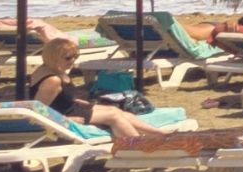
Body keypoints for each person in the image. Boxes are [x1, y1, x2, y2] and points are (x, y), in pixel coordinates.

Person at [28, 37, 170, 141]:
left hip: (70, 108)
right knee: (114, 117)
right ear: (53, 57)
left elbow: (60, 98)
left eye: (75, 56)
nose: (72, 61)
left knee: (115, 110)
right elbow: (38, 110)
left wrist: (79, 100)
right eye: (67, 57)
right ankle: (138, 147)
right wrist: (66, 120)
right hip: (63, 116)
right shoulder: (52, 80)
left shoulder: (55, 70)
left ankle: (159, 135)